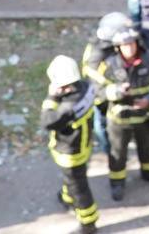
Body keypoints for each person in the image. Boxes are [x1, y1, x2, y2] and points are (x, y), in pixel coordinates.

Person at [94, 27, 149, 200]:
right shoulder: (108, 65)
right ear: (118, 47)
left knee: (148, 148)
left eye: (131, 44)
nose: (129, 48)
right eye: (124, 45)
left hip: (145, 115)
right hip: (119, 119)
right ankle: (117, 182)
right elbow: (98, 90)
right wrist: (117, 92)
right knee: (117, 153)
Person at [41, 55, 99, 234]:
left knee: (79, 188)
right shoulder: (86, 87)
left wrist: (51, 97)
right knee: (72, 179)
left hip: (71, 152)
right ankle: (67, 197)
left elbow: (47, 121)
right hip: (84, 143)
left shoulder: (67, 107)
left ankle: (88, 223)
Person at [82, 12, 133, 157]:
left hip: (113, 95)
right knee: (102, 125)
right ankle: (109, 151)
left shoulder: (108, 47)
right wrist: (116, 91)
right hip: (101, 99)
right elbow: (96, 86)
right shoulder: (97, 56)